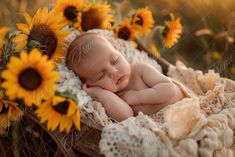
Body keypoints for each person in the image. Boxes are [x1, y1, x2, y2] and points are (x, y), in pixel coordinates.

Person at [66, 32, 185, 122]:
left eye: (115, 60)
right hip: (167, 125)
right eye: (100, 76)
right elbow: (125, 116)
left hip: (183, 106)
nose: (114, 71)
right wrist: (100, 93)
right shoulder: (113, 97)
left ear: (118, 51)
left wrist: (138, 97)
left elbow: (169, 89)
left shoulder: (140, 70)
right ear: (90, 84)